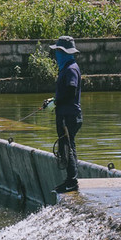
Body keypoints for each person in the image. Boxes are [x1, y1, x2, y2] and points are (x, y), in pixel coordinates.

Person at [42, 35, 82, 193]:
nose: (56, 54)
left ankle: (72, 181)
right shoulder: (67, 67)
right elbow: (66, 92)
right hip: (66, 113)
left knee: (68, 147)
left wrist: (57, 102)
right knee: (67, 146)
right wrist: (54, 99)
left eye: (58, 51)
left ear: (64, 52)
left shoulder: (71, 69)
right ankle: (70, 179)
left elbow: (71, 91)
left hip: (69, 115)